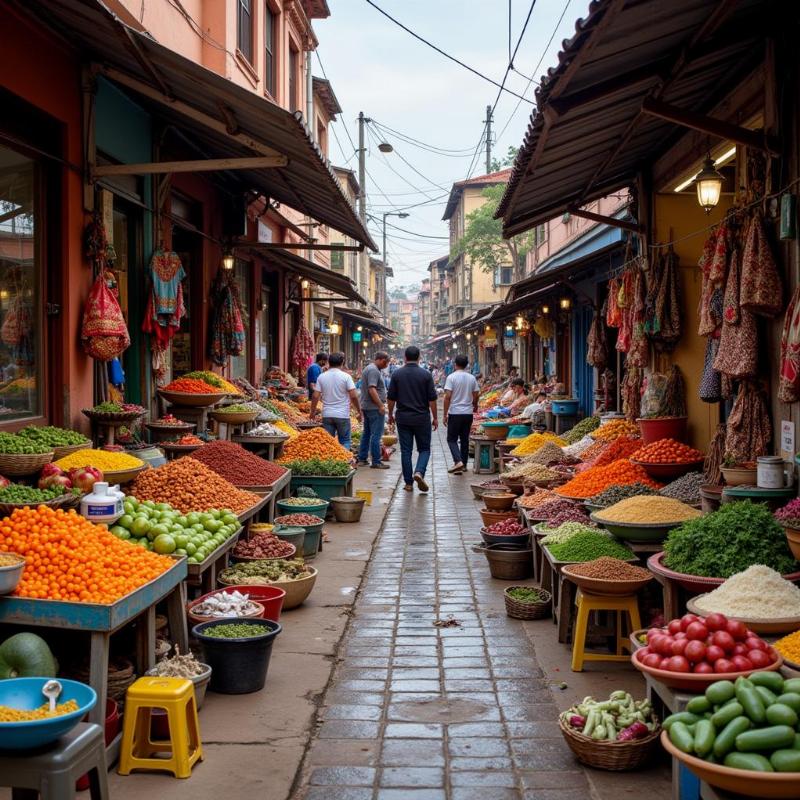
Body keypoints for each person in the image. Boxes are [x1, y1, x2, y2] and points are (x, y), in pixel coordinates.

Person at [387, 345, 438, 492]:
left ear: (405, 357)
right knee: (424, 449)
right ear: (419, 357)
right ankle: (419, 472)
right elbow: (432, 400)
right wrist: (435, 417)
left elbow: (391, 398)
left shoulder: (397, 374)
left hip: (403, 418)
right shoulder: (426, 375)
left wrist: (390, 414)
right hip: (421, 417)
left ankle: (408, 483)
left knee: (406, 451)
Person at [310, 352, 361, 451]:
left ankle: (331, 461)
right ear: (342, 362)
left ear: (329, 362)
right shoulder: (346, 377)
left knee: (329, 442)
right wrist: (359, 411)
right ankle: (345, 463)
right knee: (345, 441)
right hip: (342, 415)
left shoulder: (322, 376)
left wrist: (312, 412)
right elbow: (354, 396)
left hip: (327, 415)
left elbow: (315, 396)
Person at [443, 354, 479, 474]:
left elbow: (447, 396)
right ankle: (463, 465)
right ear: (466, 365)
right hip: (468, 413)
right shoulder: (471, 378)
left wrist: (444, 414)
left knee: (451, 439)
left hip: (455, 412)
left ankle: (458, 461)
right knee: (464, 439)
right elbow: (476, 394)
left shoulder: (451, 377)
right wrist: (475, 405)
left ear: (455, 364)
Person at [357, 351, 390, 469]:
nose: (386, 366)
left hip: (368, 406)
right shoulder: (374, 370)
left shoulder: (370, 369)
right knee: (376, 435)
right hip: (374, 408)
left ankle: (362, 458)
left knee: (367, 433)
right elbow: (372, 389)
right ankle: (376, 461)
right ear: (381, 360)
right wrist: (381, 405)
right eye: (386, 363)